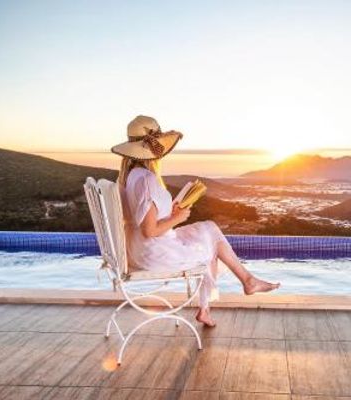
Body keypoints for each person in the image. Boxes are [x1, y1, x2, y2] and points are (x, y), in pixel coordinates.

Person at [111, 115, 280, 327]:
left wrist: (170, 211)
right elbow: (150, 230)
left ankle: (232, 291)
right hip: (154, 253)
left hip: (139, 249)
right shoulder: (146, 180)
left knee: (208, 228)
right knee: (211, 242)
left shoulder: (129, 176)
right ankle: (239, 286)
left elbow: (144, 219)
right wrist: (177, 217)